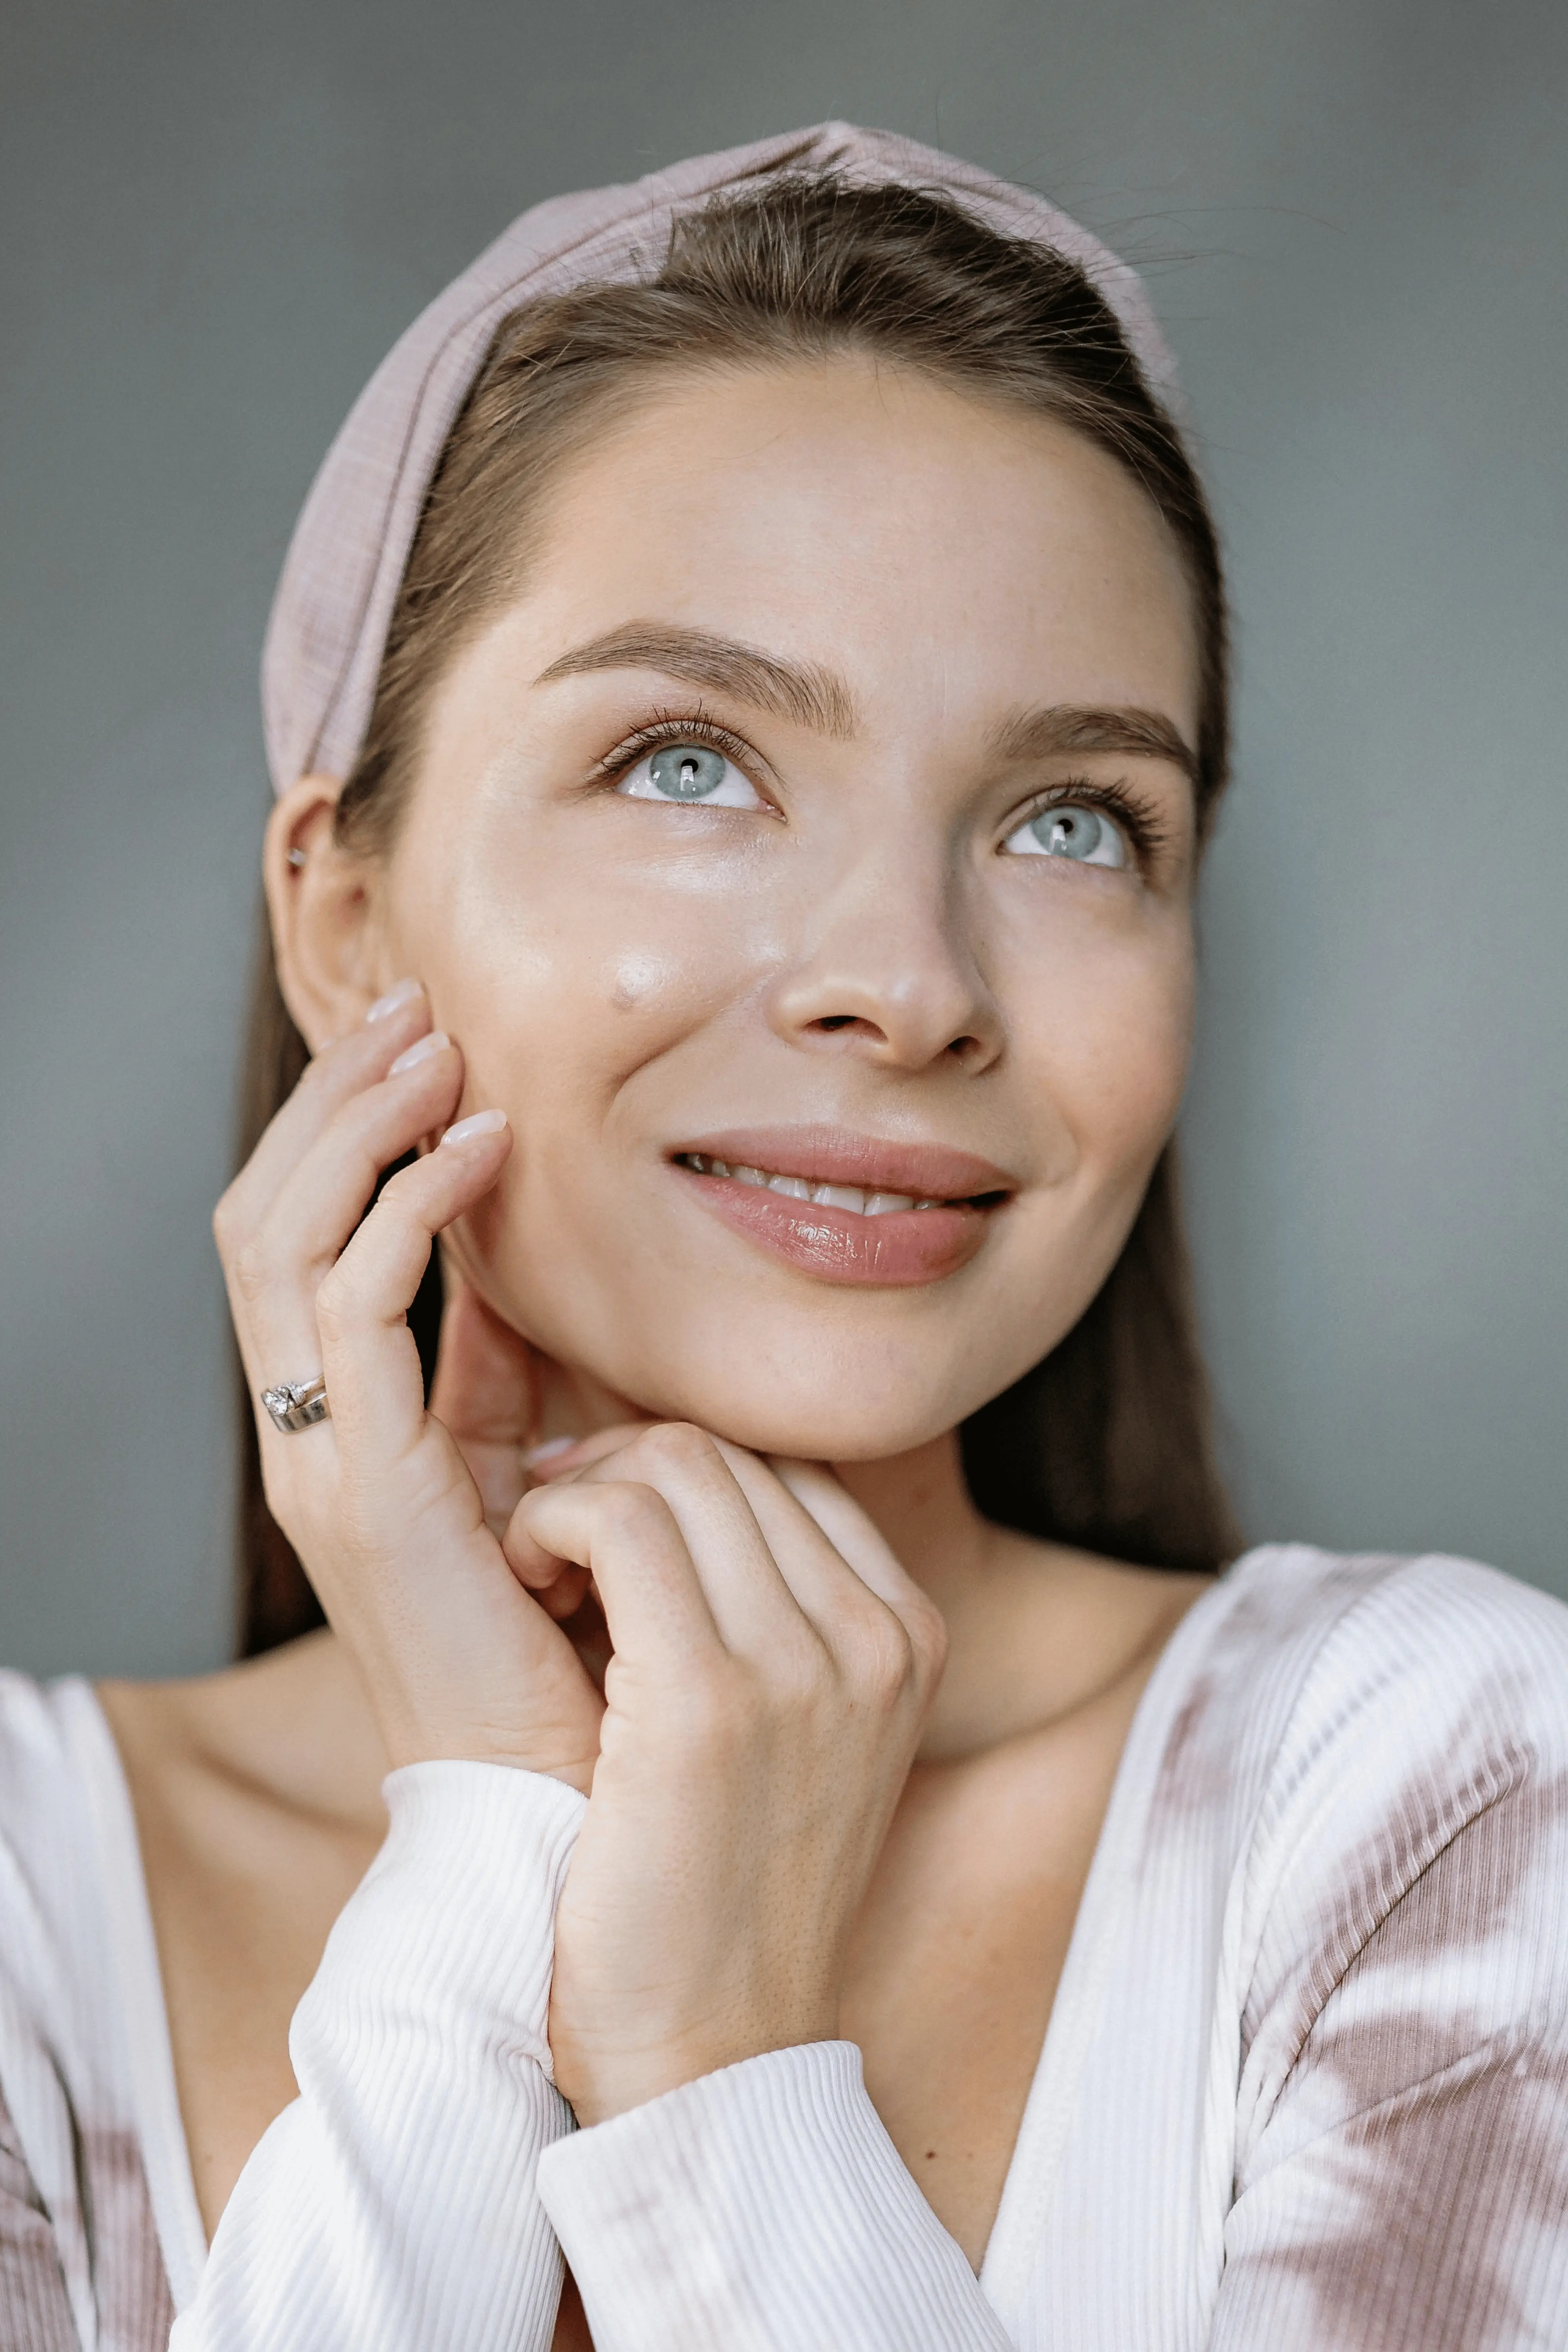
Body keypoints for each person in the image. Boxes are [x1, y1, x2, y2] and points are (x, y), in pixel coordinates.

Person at [2, 123, 1565, 2352]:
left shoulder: (1454, 1811)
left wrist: (723, 2086)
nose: (911, 981)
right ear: (346, 923)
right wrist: (492, 1850)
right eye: (689, 762)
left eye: (1070, 818)